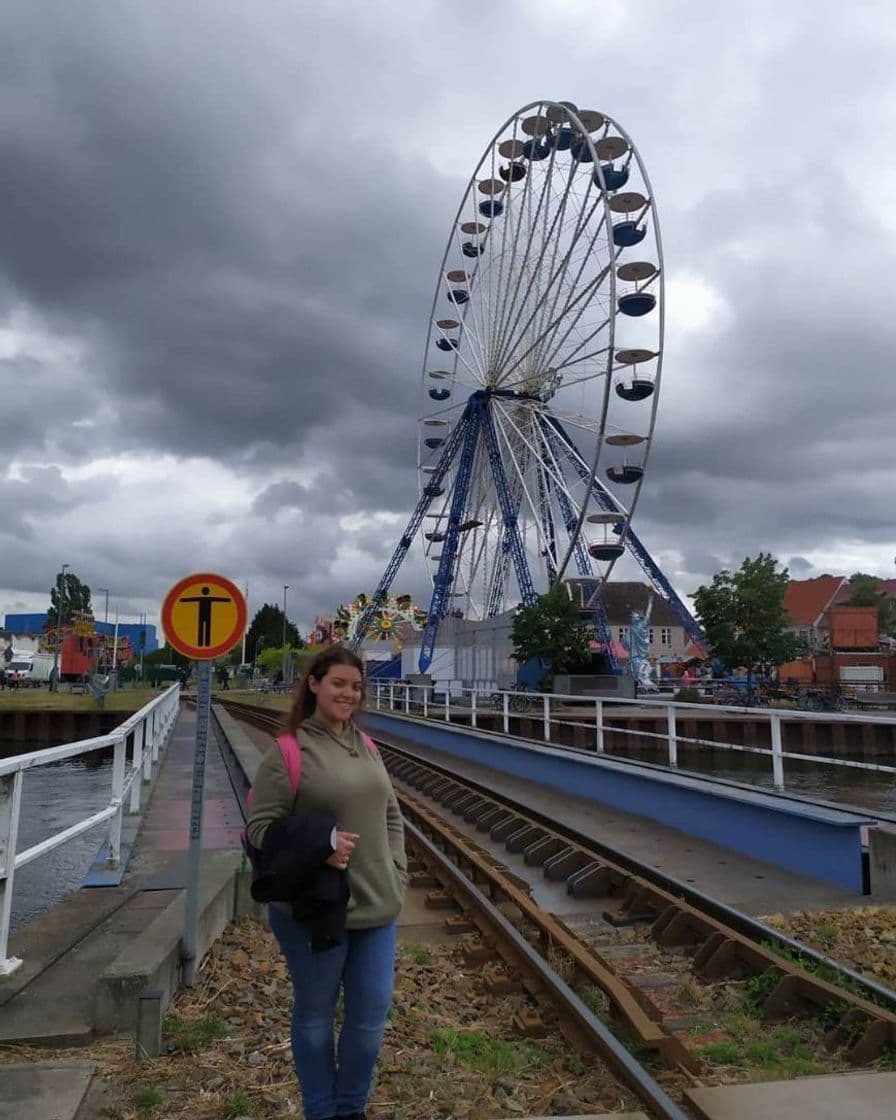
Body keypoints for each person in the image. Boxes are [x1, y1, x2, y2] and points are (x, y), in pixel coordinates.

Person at [247, 646, 407, 1120]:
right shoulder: (288, 752)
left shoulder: (367, 745)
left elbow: (392, 814)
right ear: (314, 685)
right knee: (316, 1016)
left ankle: (350, 1107)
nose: (348, 693)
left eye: (355, 686)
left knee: (369, 1020)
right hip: (315, 909)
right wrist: (324, 843)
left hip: (378, 905)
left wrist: (396, 872)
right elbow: (260, 830)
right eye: (338, 683)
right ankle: (321, 1111)